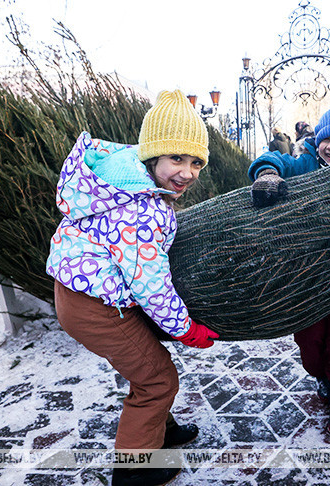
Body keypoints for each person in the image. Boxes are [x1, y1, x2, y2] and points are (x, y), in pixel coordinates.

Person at [46, 89, 219, 486]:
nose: (188, 172)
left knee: (147, 363)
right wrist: (184, 327)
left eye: (196, 162)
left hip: (78, 293)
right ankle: (135, 472)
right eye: (177, 158)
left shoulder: (122, 179)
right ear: (153, 154)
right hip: (97, 307)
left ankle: (160, 431)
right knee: (158, 379)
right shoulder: (142, 208)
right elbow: (150, 283)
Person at [248, 104, 330, 435]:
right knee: (309, 339)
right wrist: (269, 174)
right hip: (304, 276)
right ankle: (321, 375)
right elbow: (273, 160)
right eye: (325, 138)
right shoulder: (304, 166)